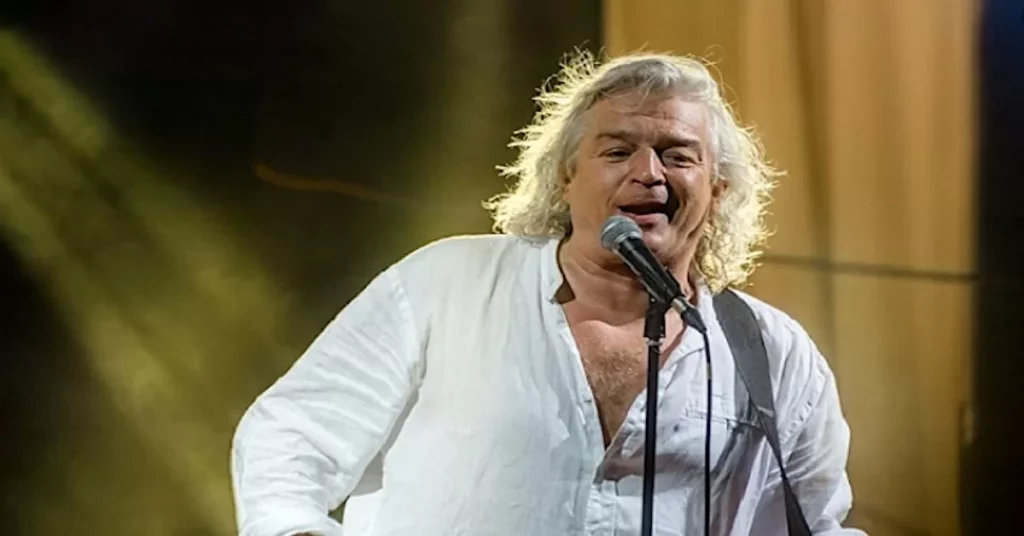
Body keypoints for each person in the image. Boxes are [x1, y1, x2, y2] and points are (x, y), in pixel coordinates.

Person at [231, 51, 863, 536]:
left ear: (718, 189)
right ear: (566, 176)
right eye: (618, 150)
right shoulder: (447, 284)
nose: (648, 173)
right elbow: (290, 435)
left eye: (678, 156)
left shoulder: (771, 352)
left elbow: (815, 523)